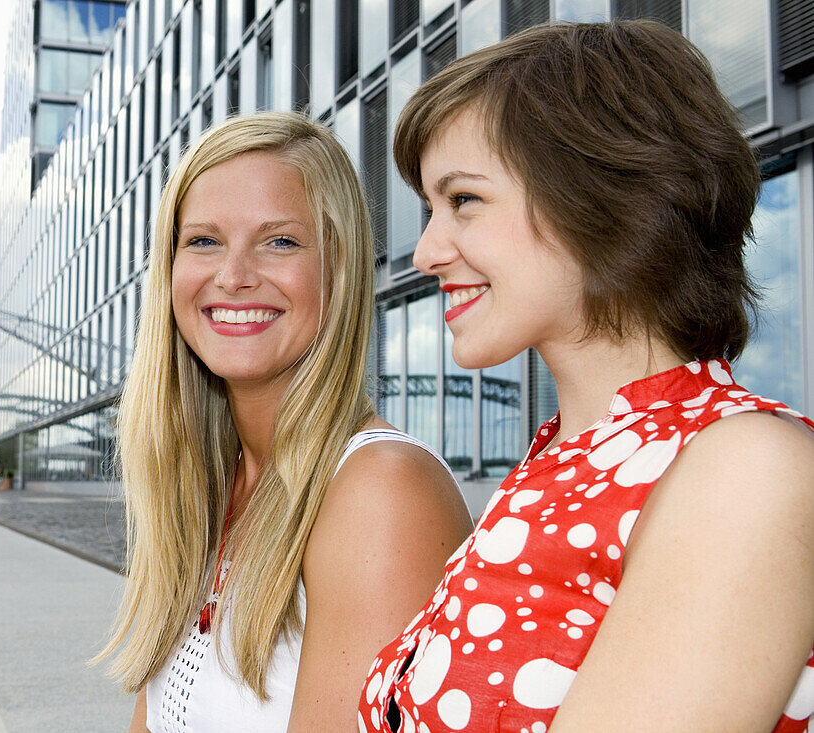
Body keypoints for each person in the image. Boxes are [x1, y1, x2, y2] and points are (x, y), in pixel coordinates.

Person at [359, 20, 814, 733]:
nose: (425, 252)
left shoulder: (744, 467)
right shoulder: (565, 465)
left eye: (464, 201)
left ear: (602, 193)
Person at [95, 112, 473, 732]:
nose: (234, 275)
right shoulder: (210, 490)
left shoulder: (379, 491)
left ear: (339, 269)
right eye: (204, 240)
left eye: (280, 241)